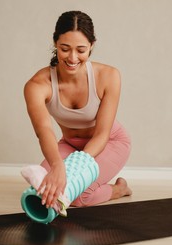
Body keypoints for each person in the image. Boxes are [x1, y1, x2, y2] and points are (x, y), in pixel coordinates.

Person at [24, 11, 131, 210]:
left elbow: (102, 134)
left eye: (81, 50)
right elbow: (44, 131)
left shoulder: (109, 76)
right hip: (70, 144)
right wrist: (57, 165)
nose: (73, 57)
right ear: (55, 43)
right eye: (65, 49)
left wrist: (73, 168)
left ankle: (119, 189)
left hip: (109, 143)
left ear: (91, 46)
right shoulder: (38, 85)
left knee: (78, 197)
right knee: (43, 188)